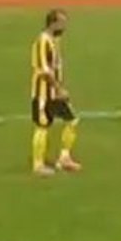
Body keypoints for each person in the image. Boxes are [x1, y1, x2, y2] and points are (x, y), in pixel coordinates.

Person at [30, 10, 82, 176]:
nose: (64, 27)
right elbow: (44, 71)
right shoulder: (43, 42)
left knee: (72, 120)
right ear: (53, 23)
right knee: (42, 126)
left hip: (55, 93)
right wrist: (59, 89)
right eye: (61, 23)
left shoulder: (54, 41)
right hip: (43, 94)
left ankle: (64, 158)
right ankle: (38, 165)